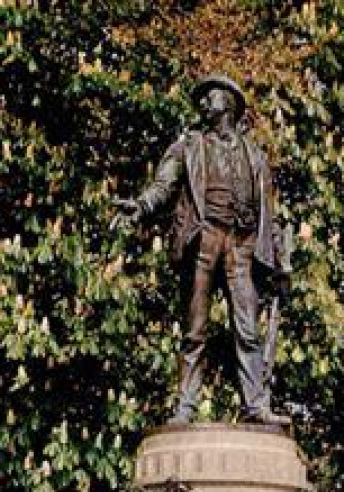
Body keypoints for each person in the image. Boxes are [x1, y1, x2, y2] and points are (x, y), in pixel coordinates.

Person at [115, 74, 289, 426]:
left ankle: (256, 404)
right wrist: (141, 206)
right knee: (195, 329)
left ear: (228, 102)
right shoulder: (188, 147)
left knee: (248, 330)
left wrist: (279, 261)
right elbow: (163, 185)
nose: (203, 104)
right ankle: (186, 406)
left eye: (210, 97)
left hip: (242, 245)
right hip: (205, 241)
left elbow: (268, 214)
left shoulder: (255, 156)